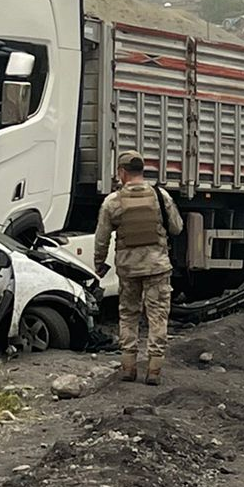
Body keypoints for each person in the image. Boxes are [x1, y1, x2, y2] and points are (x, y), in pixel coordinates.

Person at [93, 153, 183, 384]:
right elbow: (176, 228)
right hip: (157, 267)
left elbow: (101, 237)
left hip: (128, 268)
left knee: (128, 315)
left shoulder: (113, 201)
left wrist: (99, 263)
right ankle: (154, 370)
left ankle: (128, 367)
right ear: (142, 171)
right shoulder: (160, 196)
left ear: (122, 172)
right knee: (157, 316)